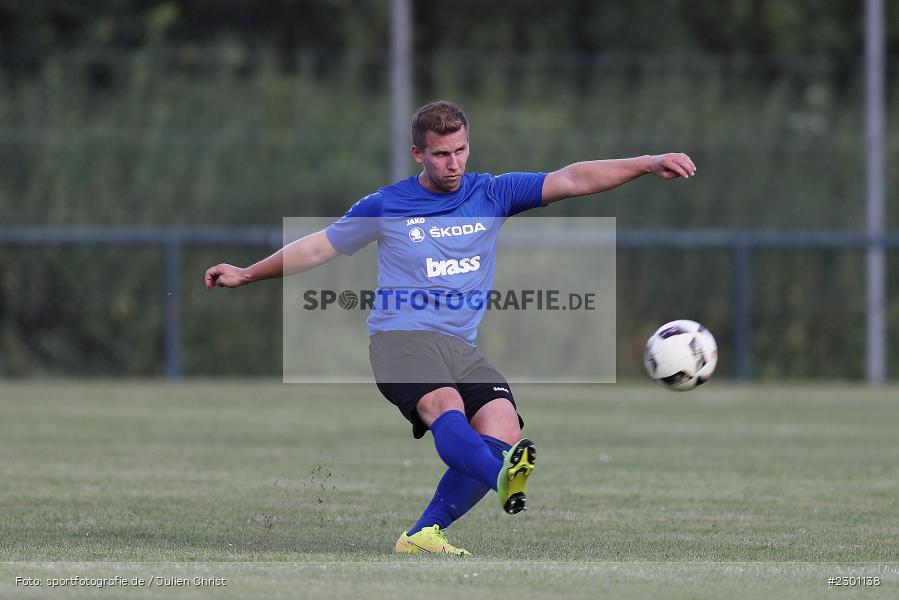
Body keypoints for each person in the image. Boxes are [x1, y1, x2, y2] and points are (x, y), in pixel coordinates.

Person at [204, 100, 696, 556]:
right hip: (401, 339)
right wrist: (248, 272)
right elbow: (318, 247)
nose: (454, 163)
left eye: (461, 150)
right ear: (418, 153)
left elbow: (572, 178)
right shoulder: (387, 205)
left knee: (502, 424)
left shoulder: (492, 192)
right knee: (448, 406)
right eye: (441, 154)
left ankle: (422, 534)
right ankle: (501, 476)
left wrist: (647, 162)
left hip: (461, 346)